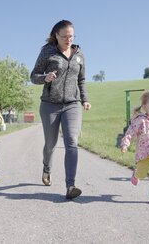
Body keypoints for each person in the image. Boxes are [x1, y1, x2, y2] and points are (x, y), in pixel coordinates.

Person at [30, 20, 91, 199]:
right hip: (50, 104)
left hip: (72, 103)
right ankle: (47, 168)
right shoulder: (47, 51)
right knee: (51, 143)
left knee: (72, 141)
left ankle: (70, 185)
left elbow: (81, 80)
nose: (68, 39)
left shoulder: (79, 54)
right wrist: (45, 78)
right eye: (64, 36)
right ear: (56, 35)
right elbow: (33, 76)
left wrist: (85, 99)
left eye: (71, 36)